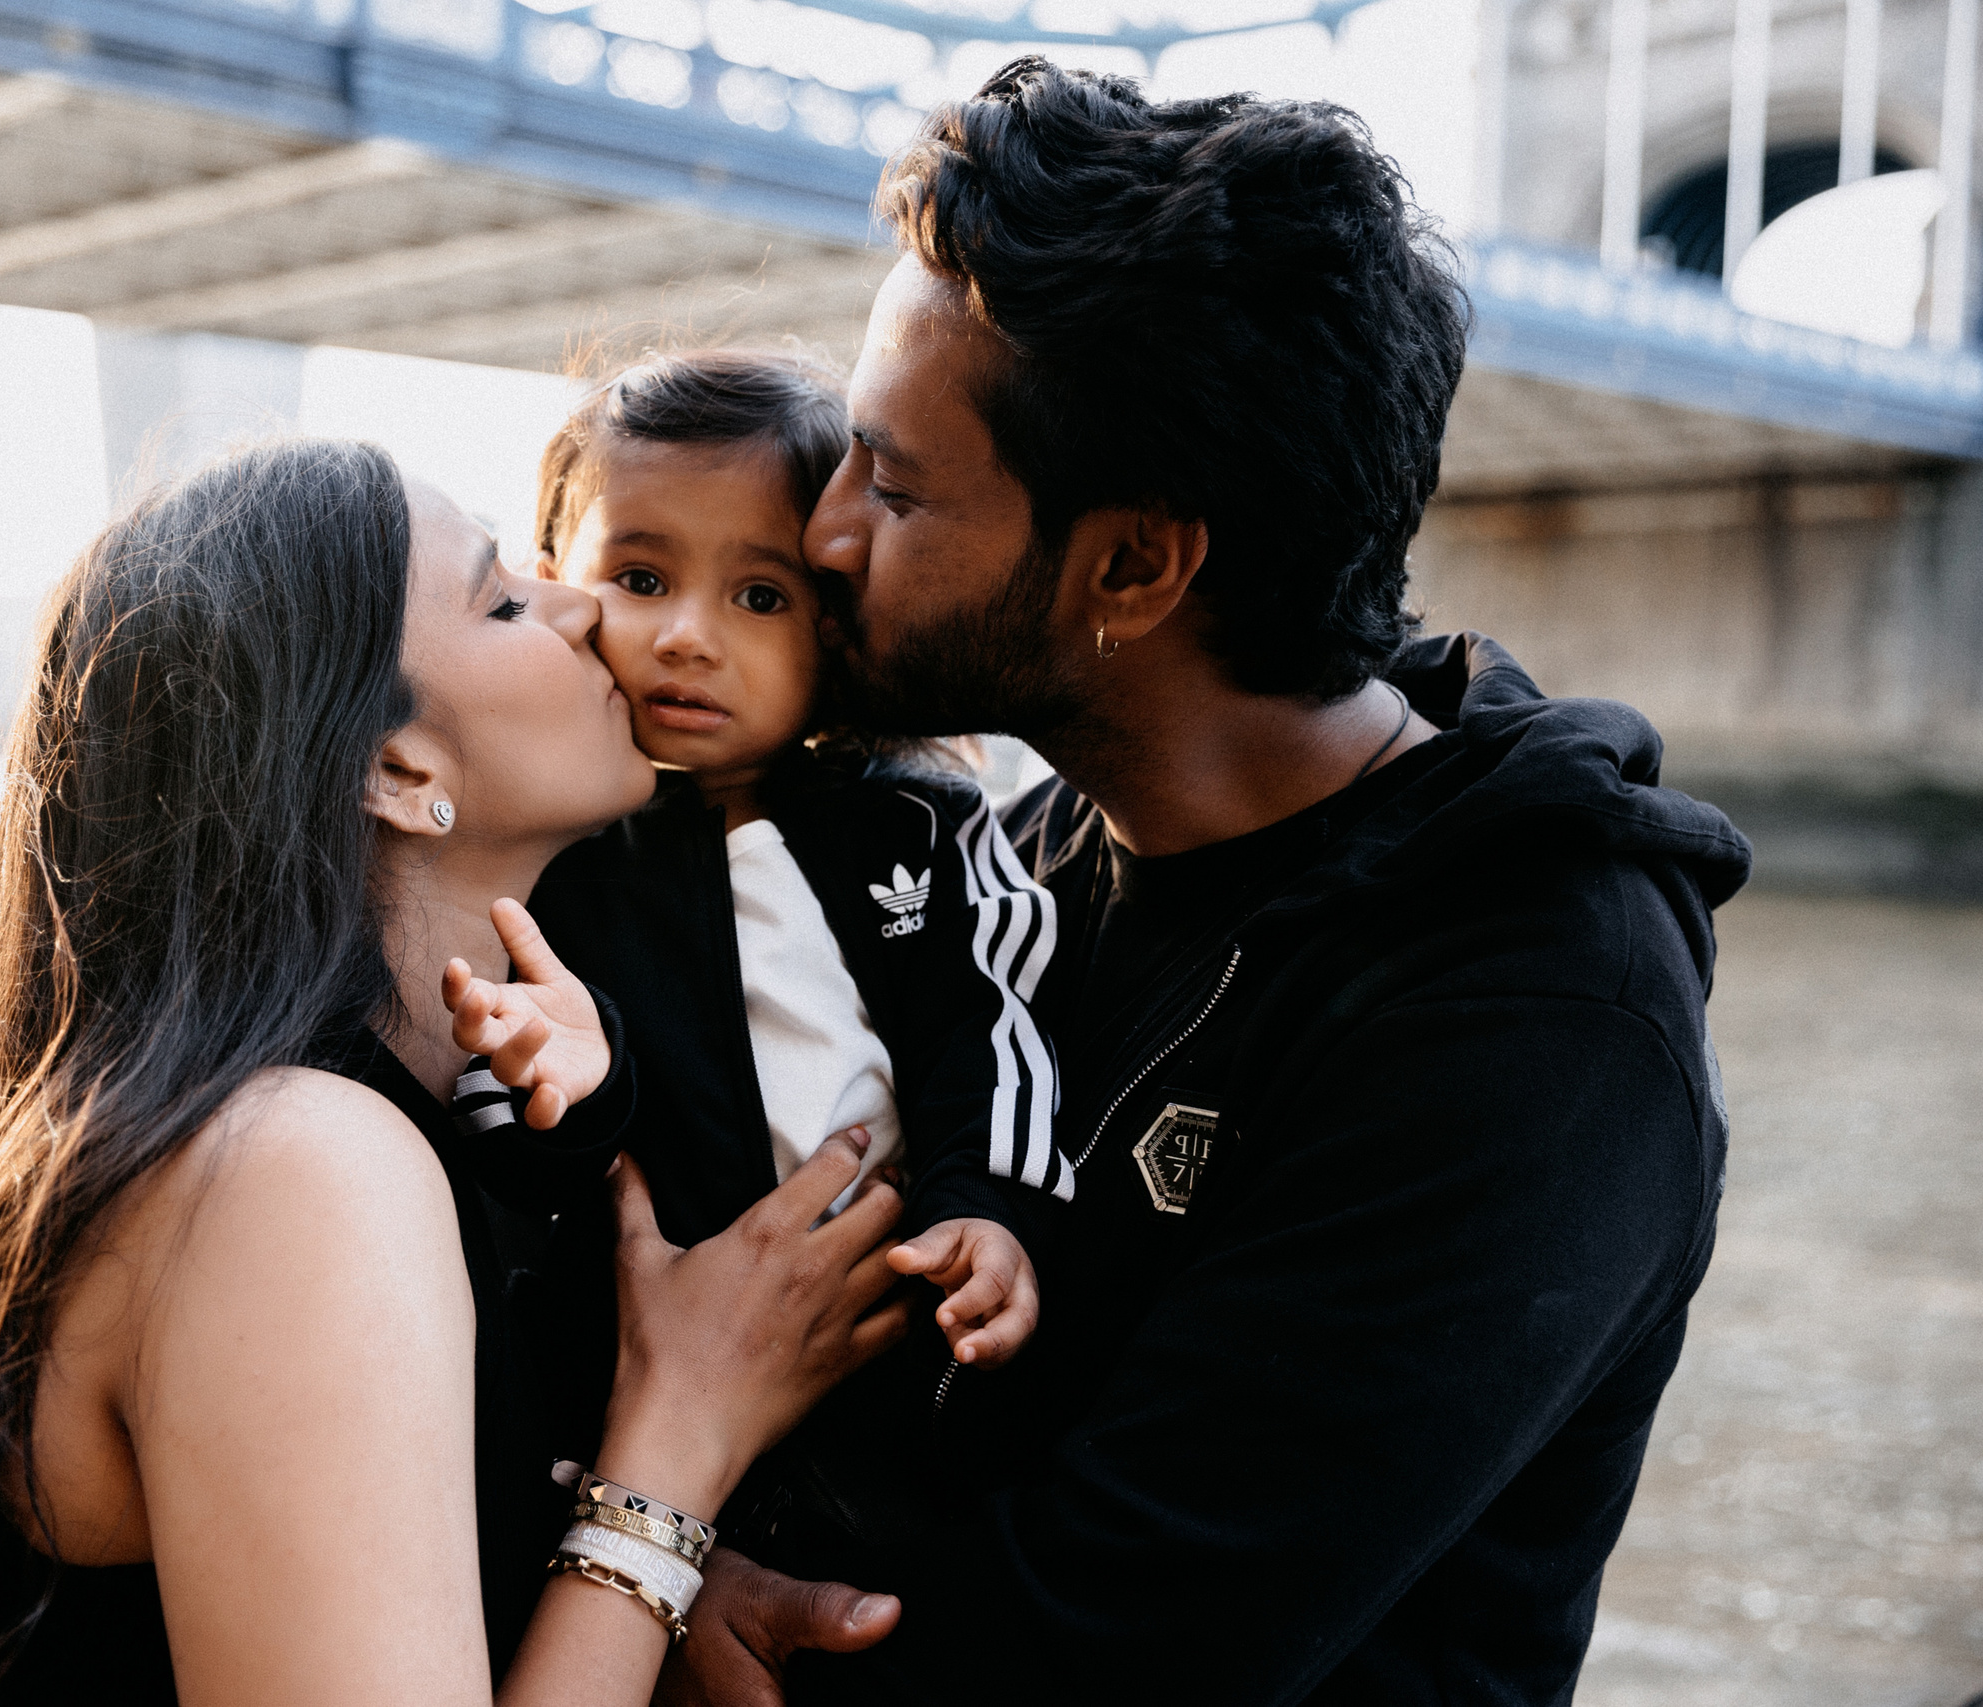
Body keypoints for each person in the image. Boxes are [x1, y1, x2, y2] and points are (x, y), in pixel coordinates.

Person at [668, 61, 1752, 1704]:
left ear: (1132, 566)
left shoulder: (1538, 1015)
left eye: (890, 485)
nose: (818, 533)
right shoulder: (1017, 867)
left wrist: (657, 1561)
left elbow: (1114, 1648)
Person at [0, 438, 912, 1707]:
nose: (581, 601)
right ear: (396, 768)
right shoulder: (298, 1166)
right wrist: (681, 1437)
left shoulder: (371, 1120)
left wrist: (673, 1594)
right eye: (502, 600)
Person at [520, 351, 1071, 1615]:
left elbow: (991, 1034)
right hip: (634, 1398)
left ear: (836, 623)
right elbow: (533, 1161)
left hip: (893, 1375)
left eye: (758, 597)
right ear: (558, 585)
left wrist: (993, 1208)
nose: (684, 636)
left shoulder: (919, 833)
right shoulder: (555, 851)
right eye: (639, 578)